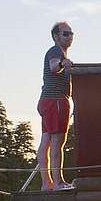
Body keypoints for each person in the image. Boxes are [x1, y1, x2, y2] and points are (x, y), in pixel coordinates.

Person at [36, 22, 74, 191]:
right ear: (56, 36)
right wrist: (63, 65)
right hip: (55, 101)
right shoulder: (56, 51)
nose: (70, 36)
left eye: (71, 33)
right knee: (58, 141)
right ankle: (58, 183)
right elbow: (53, 67)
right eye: (66, 33)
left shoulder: (60, 52)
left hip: (47, 100)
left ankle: (47, 184)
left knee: (46, 141)